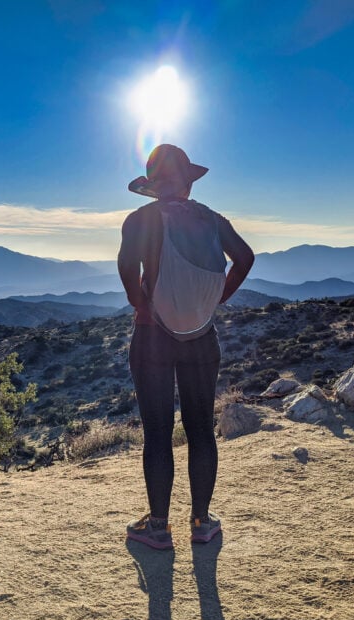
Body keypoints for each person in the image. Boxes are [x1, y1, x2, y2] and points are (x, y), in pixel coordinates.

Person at [118, 144, 254, 550]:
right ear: (189, 183)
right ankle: (202, 521)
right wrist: (220, 298)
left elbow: (127, 267)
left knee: (158, 432)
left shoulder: (140, 219)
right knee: (200, 430)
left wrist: (140, 304)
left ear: (153, 184)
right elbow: (244, 258)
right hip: (202, 335)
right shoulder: (212, 220)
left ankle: (157, 527)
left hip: (152, 336)